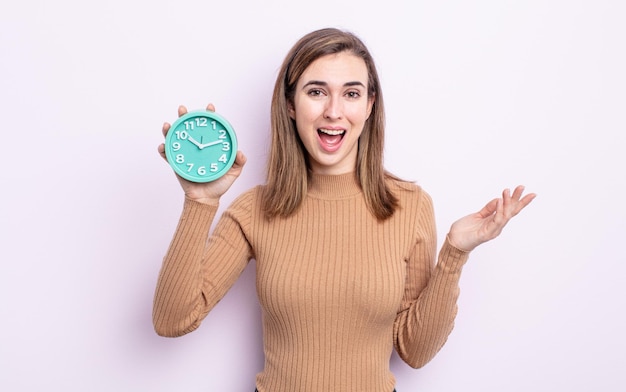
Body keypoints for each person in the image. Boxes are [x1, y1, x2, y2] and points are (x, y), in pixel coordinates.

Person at [153, 27, 535, 392]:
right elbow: (172, 320)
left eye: (351, 94)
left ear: (369, 106)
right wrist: (200, 202)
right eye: (316, 91)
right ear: (290, 104)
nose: (334, 111)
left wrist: (455, 253)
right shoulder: (255, 209)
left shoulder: (410, 206)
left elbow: (415, 352)